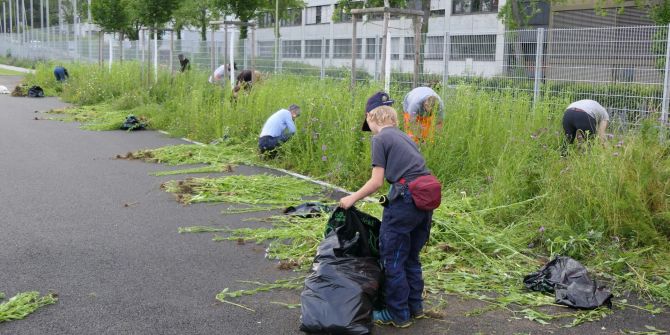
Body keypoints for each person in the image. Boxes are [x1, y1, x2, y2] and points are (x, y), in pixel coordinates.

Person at [339, 92, 433, 328]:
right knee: (411, 257)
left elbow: (376, 181)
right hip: (425, 198)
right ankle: (415, 307)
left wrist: (352, 198)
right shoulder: (404, 137)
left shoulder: (380, 139)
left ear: (371, 116)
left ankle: (397, 314)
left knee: (392, 258)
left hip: (405, 199)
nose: (369, 128)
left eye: (367, 123)